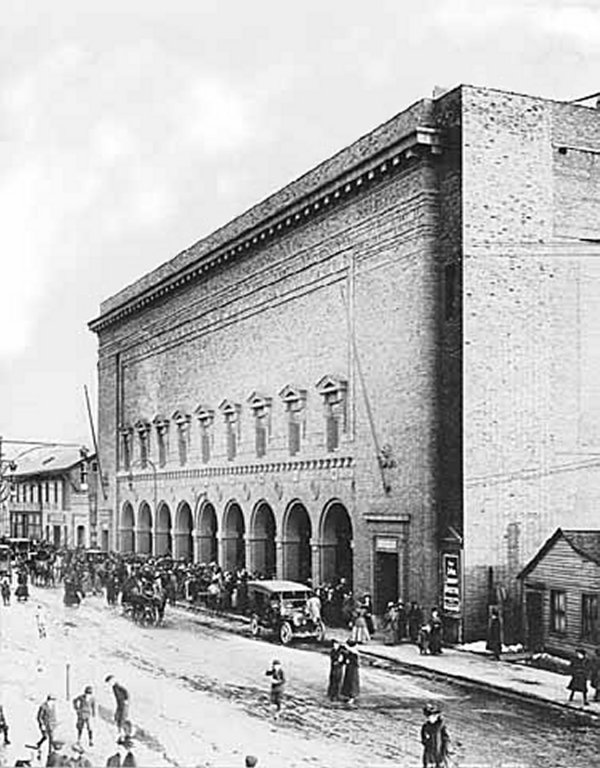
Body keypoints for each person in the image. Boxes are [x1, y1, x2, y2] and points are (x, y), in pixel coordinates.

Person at [421, 703, 450, 768]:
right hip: (430, 755)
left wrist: (445, 752)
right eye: (428, 717)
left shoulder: (440, 726)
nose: (430, 718)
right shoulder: (425, 727)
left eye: (432, 716)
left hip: (440, 754)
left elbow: (446, 739)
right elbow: (424, 741)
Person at [340, 640, 360, 706]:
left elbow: (355, 662)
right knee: (348, 681)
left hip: (353, 669)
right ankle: (348, 695)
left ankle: (352, 697)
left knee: (352, 682)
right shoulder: (350, 652)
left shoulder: (354, 653)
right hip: (349, 669)